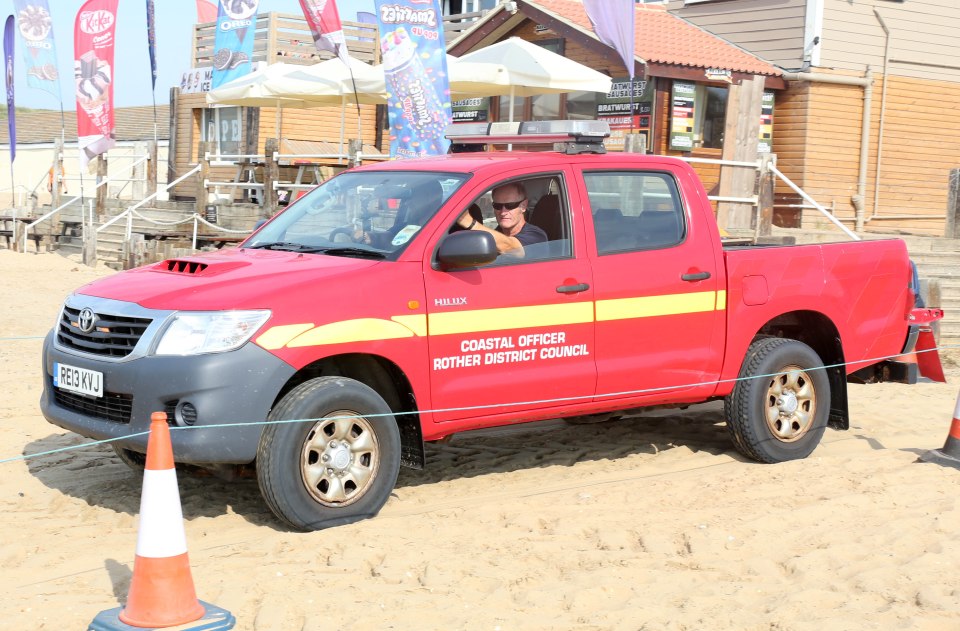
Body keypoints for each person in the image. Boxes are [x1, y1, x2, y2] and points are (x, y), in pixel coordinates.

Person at [455, 182, 546, 256]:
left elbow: (510, 247)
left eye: (510, 205)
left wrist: (469, 222)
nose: (503, 212)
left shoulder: (536, 236)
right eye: (497, 206)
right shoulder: (496, 232)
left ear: (523, 206)